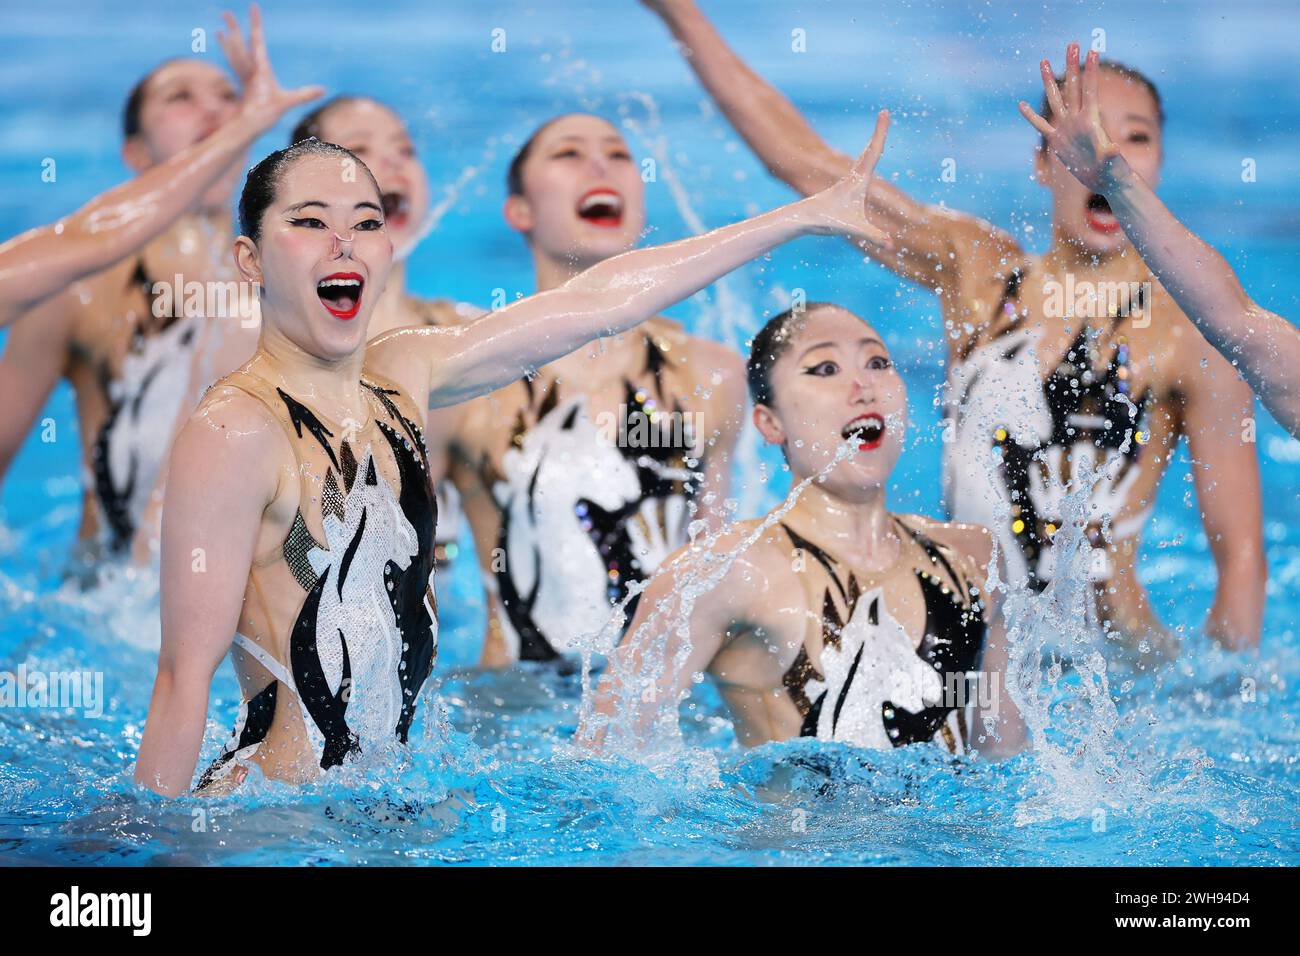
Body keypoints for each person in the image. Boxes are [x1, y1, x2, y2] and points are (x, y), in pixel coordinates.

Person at [133, 111, 896, 796]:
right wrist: (152, 860)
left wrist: (801, 217)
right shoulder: (236, 430)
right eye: (309, 222)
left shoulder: (403, 374)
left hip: (385, 806)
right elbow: (179, 681)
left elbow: (601, 301)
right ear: (250, 259)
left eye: (366, 223)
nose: (344, 243)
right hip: (272, 819)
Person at [642, 2, 1266, 655]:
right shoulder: (978, 272)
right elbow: (805, 166)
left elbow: (1242, 561)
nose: (1106, 153)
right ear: (1044, 160)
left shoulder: (1192, 331)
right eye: (1086, 135)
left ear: (1160, 161)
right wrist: (682, 15)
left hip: (1110, 662)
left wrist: (1230, 695)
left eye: (1133, 137)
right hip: (966, 634)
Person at [580, 303, 1025, 757]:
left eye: (878, 363)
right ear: (770, 424)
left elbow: (1005, 765)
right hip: (796, 829)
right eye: (825, 368)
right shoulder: (724, 570)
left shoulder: (974, 556)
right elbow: (603, 763)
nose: (863, 386)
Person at [0, 7, 322, 567]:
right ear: (137, 154)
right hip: (112, 601)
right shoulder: (73, 293)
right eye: (180, 98)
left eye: (228, 96)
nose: (214, 110)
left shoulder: (293, 293)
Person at [446, 113, 751, 666]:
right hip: (514, 704)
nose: (599, 165)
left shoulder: (712, 375)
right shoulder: (470, 379)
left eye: (618, 154)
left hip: (660, 709)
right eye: (567, 153)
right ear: (520, 210)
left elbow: (713, 575)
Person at [1022, 46, 1300, 439]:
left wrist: (1118, 184)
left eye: (1136, 136)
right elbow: (1234, 324)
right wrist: (1118, 184)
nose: (1112, 143)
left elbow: (1234, 326)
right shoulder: (987, 272)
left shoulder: (1182, 340)